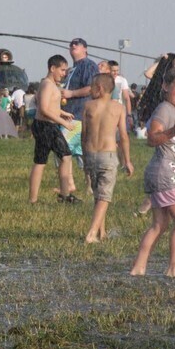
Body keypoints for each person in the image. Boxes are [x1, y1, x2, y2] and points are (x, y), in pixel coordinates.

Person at [130, 67, 175, 278]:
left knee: (160, 224)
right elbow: (152, 138)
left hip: (164, 174)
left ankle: (138, 268)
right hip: (166, 175)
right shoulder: (164, 109)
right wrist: (174, 130)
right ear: (166, 86)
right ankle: (174, 269)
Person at [81, 74, 134, 243]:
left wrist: (84, 156)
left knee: (98, 194)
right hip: (108, 155)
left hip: (90, 154)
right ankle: (91, 233)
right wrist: (127, 160)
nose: (90, 90)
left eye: (92, 87)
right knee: (105, 197)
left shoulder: (88, 106)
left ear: (100, 88)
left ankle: (101, 232)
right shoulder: (118, 108)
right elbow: (124, 136)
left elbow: (83, 134)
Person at [28, 55, 77, 204]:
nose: (64, 73)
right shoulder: (48, 85)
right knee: (64, 157)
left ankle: (35, 199)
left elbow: (50, 105)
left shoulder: (49, 84)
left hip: (45, 125)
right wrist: (63, 122)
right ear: (52, 68)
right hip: (46, 126)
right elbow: (43, 109)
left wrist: (62, 112)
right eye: (62, 70)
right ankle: (64, 195)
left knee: (42, 161)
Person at [61, 38, 100, 188]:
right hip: (72, 114)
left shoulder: (88, 65)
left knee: (63, 148)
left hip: (80, 115)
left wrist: (71, 94)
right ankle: (87, 186)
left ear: (85, 49)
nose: (73, 45)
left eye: (77, 44)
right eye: (71, 44)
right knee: (82, 153)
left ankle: (71, 185)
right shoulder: (73, 68)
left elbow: (92, 88)